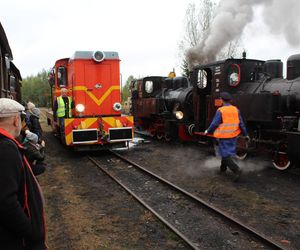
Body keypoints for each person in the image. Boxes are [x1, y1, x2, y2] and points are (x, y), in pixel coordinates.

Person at [0, 98, 46, 249]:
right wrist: (31, 232)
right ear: (15, 120)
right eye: (21, 118)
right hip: (19, 241)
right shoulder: (6, 148)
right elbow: (6, 202)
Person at [204, 92, 249, 181]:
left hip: (224, 136)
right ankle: (222, 170)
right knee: (225, 153)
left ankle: (236, 170)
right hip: (233, 135)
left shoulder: (221, 110)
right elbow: (241, 123)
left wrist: (208, 131)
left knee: (225, 154)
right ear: (230, 100)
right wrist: (245, 134)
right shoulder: (236, 109)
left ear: (221, 100)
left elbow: (215, 123)